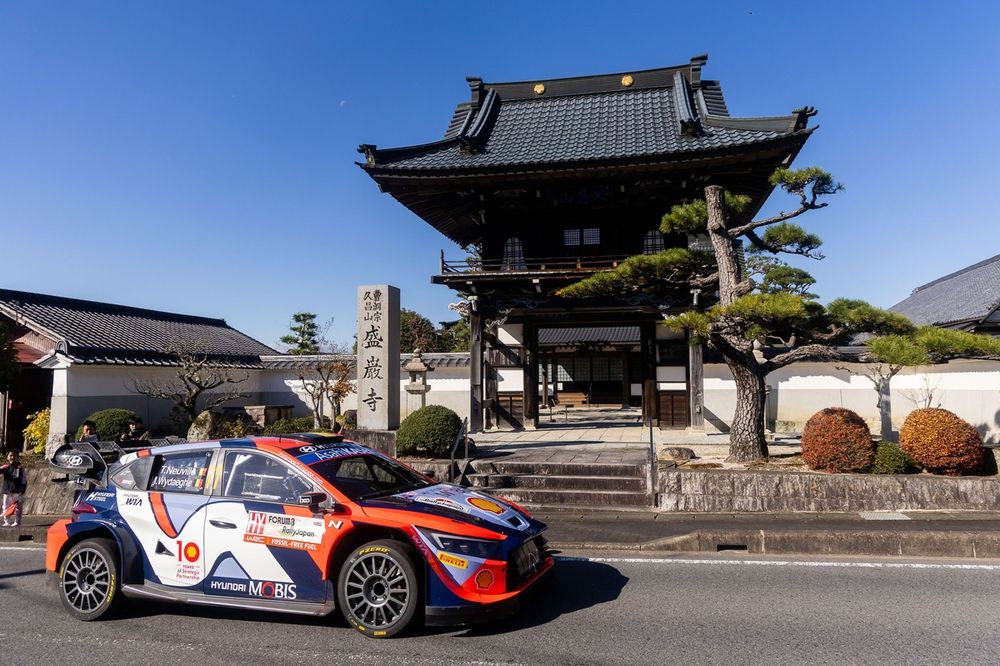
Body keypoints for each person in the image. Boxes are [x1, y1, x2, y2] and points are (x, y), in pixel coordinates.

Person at [2, 451, 28, 527]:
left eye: (13, 455)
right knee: (5, 507)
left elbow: (24, 479)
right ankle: (7, 521)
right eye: (10, 456)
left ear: (16, 457)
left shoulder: (20, 467)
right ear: (7, 457)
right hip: (7, 490)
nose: (12, 457)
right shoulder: (5, 467)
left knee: (18, 507)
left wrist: (22, 489)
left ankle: (17, 522)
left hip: (17, 491)